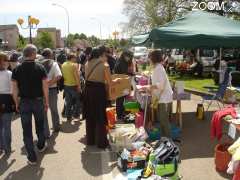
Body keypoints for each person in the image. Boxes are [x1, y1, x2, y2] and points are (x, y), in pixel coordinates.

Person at [11, 44, 49, 165]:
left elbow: (14, 89)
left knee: (26, 130)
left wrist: (16, 102)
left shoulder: (17, 69)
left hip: (24, 102)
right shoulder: (40, 68)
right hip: (38, 101)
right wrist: (46, 101)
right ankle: (41, 145)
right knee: (40, 125)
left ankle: (32, 157)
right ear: (33, 54)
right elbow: (45, 86)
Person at [84, 46, 113, 149]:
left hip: (87, 91)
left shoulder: (87, 63)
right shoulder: (104, 65)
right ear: (101, 55)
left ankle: (90, 140)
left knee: (90, 115)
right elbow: (109, 82)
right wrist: (116, 81)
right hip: (98, 91)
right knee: (100, 115)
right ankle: (101, 142)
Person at [142, 50, 173, 138]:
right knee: (162, 120)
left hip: (164, 98)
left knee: (164, 121)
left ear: (153, 58)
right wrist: (150, 89)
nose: (148, 60)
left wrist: (149, 87)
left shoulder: (158, 68)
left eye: (149, 58)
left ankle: (169, 142)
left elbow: (160, 85)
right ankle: (165, 140)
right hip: (161, 98)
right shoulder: (157, 68)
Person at [39, 48, 62, 136]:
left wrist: (44, 85)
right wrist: (49, 84)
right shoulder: (54, 63)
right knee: (53, 109)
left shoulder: (38, 63)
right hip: (51, 90)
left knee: (43, 111)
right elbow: (59, 76)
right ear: (51, 55)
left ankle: (46, 132)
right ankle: (56, 127)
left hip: (40, 90)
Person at [0, 53, 15, 156]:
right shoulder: (9, 74)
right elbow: (12, 90)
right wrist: (16, 103)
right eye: (6, 60)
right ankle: (7, 148)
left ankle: (1, 146)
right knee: (6, 126)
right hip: (6, 100)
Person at [114, 50, 134, 120]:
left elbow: (125, 73)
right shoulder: (121, 63)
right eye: (128, 57)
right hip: (121, 83)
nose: (129, 59)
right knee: (120, 99)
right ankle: (119, 114)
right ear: (125, 56)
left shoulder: (122, 62)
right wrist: (130, 75)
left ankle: (121, 112)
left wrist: (131, 74)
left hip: (122, 83)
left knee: (121, 99)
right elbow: (123, 74)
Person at [61, 53, 81, 121]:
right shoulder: (74, 65)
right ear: (72, 58)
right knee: (78, 100)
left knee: (68, 101)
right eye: (75, 57)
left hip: (66, 85)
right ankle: (76, 115)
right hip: (73, 85)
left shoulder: (63, 64)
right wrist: (79, 86)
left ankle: (68, 116)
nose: (76, 59)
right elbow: (77, 77)